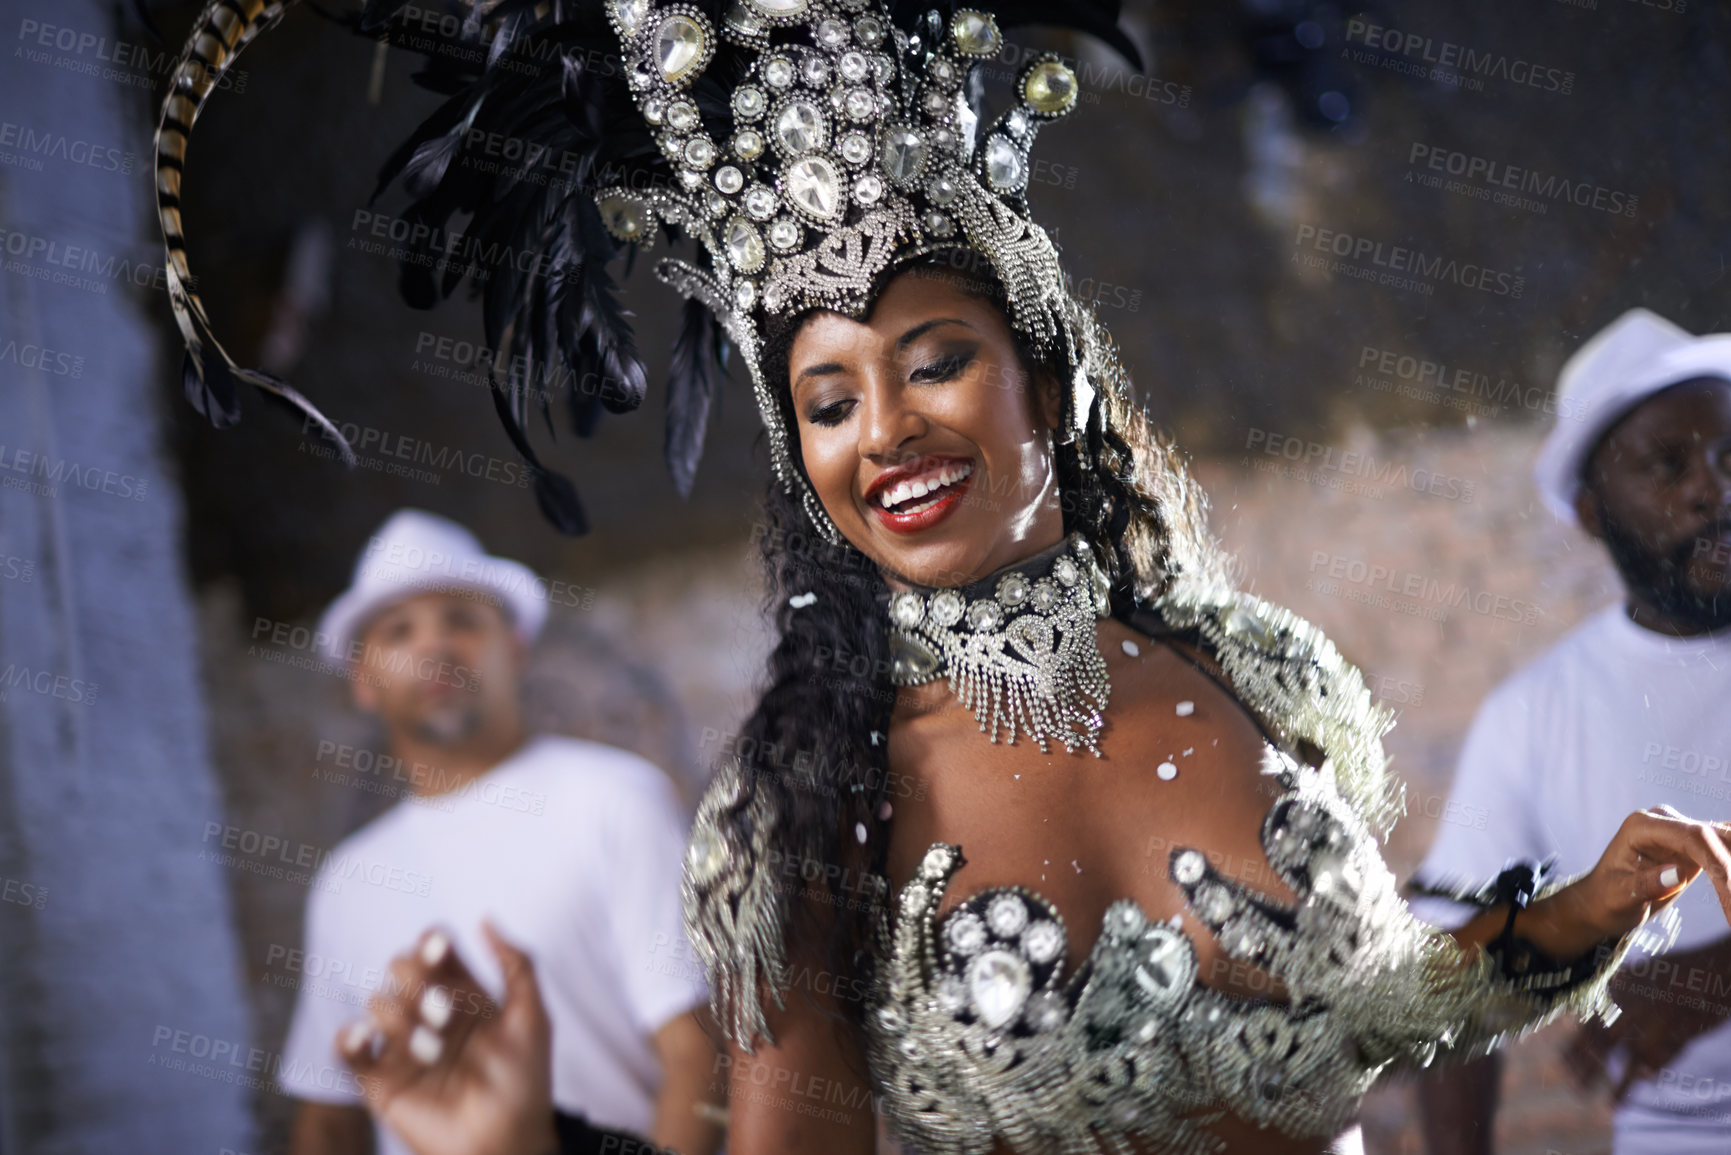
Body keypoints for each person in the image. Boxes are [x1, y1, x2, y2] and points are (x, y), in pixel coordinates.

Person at [156, 3, 1731, 1153]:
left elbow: (1374, 1006)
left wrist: (1581, 911)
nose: (885, 428)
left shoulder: (1261, 670)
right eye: (827, 398)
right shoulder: (805, 804)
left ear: (1038, 375)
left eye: (931, 361)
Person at [276, 510, 722, 1155]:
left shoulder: (615, 799)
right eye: (399, 631)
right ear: (363, 681)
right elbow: (329, 1118)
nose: (434, 646)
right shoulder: (346, 882)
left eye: (462, 620)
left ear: (513, 648)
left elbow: (700, 1052)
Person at [1410, 310, 1731, 1155]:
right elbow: (1450, 969)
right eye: (1668, 464)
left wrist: (1716, 973)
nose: (1713, 488)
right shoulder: (1534, 713)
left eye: (1729, 457)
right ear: (1592, 513)